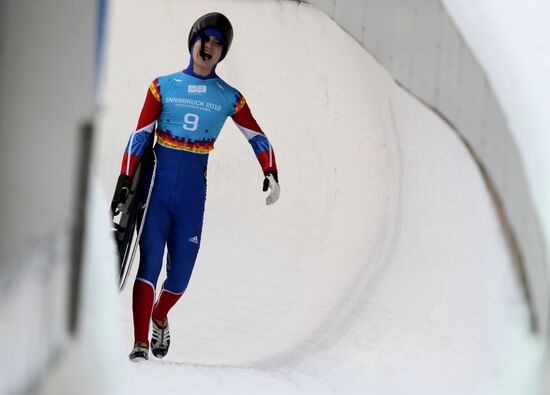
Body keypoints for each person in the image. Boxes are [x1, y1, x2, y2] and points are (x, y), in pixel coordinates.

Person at [111, 12, 280, 362]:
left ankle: (160, 315)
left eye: (218, 44)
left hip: (191, 196)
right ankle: (140, 343)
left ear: (222, 53)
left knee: (181, 277)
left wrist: (270, 171)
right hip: (157, 191)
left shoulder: (228, 97)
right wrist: (125, 181)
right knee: (150, 261)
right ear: (194, 42)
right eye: (206, 39)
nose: (210, 48)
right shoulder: (163, 86)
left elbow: (257, 136)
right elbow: (140, 135)